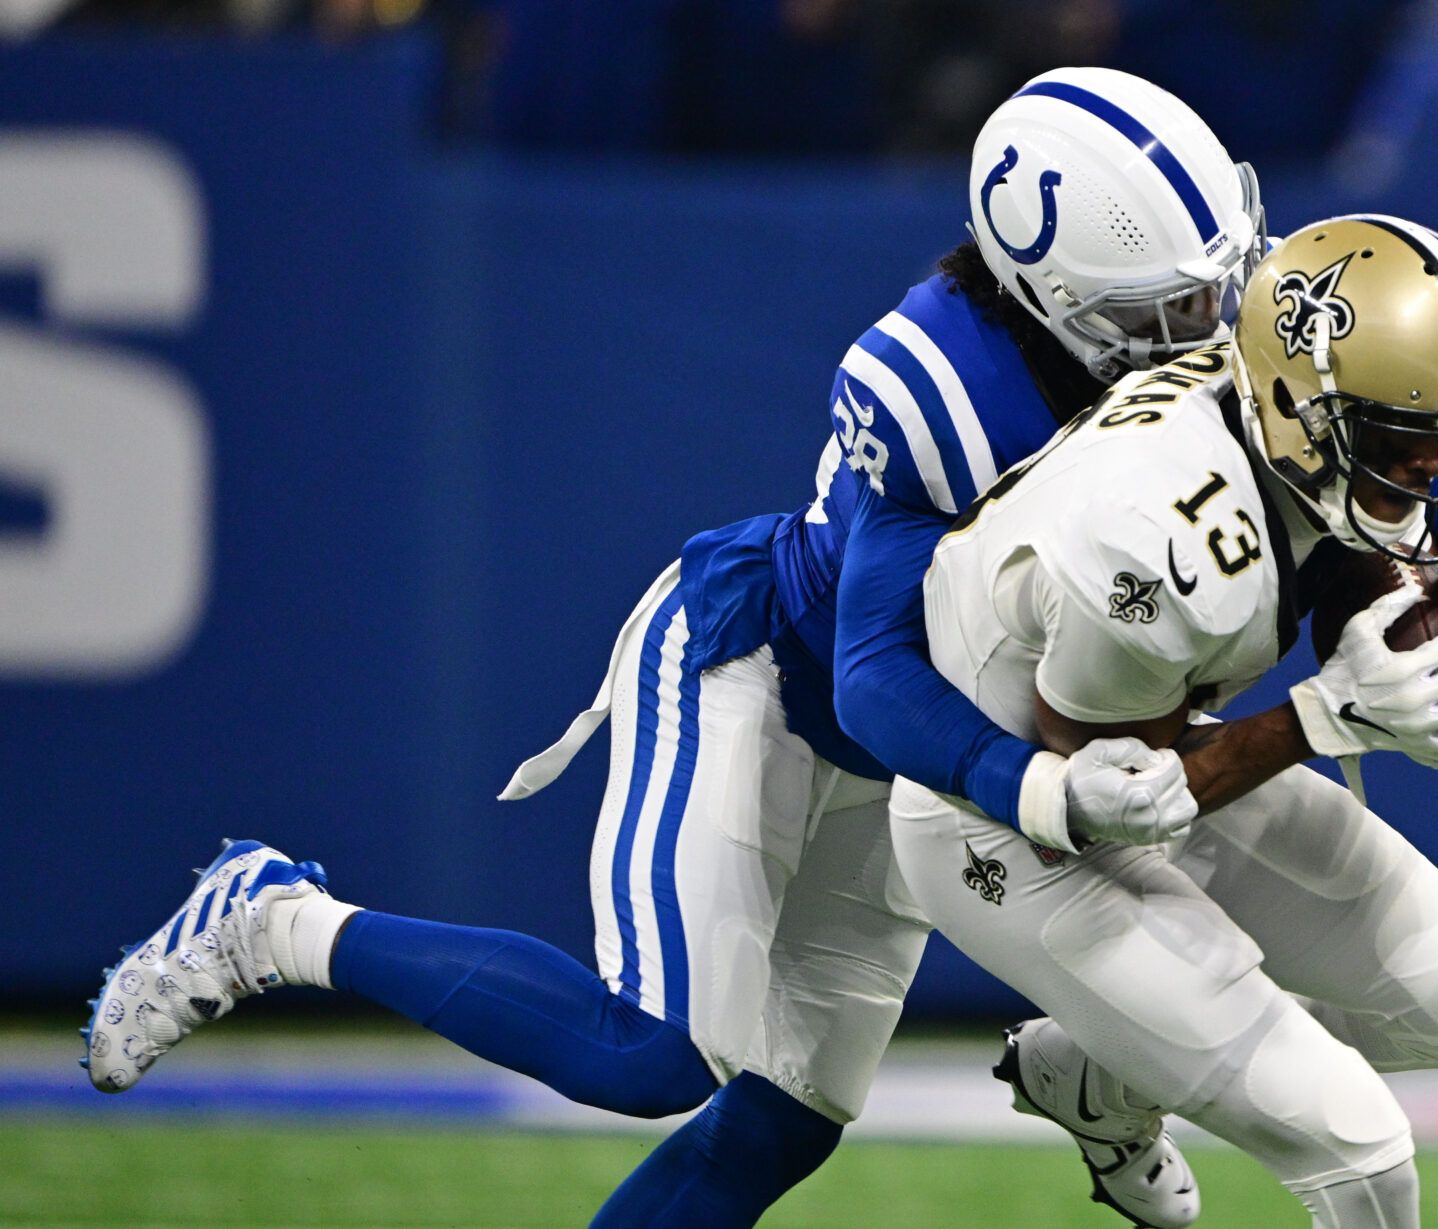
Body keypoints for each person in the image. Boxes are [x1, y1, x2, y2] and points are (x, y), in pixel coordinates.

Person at [83, 67, 1264, 1228]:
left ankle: (1103, 1064)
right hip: (767, 673)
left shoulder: (1198, 364)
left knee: (784, 1118)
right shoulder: (944, 387)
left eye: (1209, 295)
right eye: (1158, 313)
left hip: (904, 756)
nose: (1196, 334)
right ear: (1044, 289)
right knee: (649, 1054)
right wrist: (1050, 791)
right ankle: (273, 918)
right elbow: (884, 681)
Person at [888, 215, 1438, 1229]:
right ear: (1302, 406)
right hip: (1015, 819)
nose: (1431, 464)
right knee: (1361, 1147)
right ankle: (1134, 1037)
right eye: (1404, 437)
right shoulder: (1151, 533)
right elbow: (1118, 796)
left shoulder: (1296, 386)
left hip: (1158, 747)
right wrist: (1331, 715)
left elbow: (1351, 556)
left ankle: (1107, 1066)